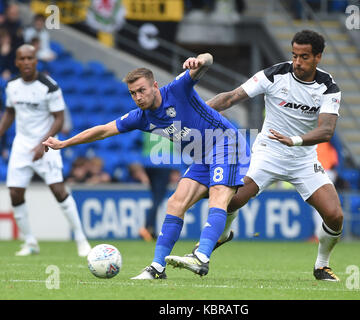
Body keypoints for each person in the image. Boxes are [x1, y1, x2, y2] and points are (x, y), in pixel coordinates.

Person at [43, 52, 250, 279]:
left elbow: (209, 60)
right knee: (175, 203)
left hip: (226, 142)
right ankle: (157, 268)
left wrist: (199, 61)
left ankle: (201, 257)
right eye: (133, 93)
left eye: (142, 90)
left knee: (217, 195)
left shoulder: (177, 89)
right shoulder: (140, 117)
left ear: (155, 86)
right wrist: (64, 143)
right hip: (202, 156)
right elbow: (103, 130)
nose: (138, 97)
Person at [185, 30, 344, 281]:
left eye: (304, 57)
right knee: (233, 199)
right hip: (268, 152)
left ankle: (321, 265)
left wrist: (295, 140)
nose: (297, 62)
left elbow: (326, 130)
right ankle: (224, 234)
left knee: (335, 216)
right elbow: (230, 97)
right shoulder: (274, 75)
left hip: (303, 159)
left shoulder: (328, 87)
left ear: (318, 57)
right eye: (294, 55)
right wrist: (194, 113)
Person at [0, 44, 91, 257]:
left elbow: (59, 119)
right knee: (14, 192)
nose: (26, 62)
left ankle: (81, 239)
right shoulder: (12, 85)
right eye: (21, 59)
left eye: (30, 58)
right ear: (16, 62)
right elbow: (10, 112)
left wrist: (44, 143)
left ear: (36, 61)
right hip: (21, 146)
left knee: (58, 190)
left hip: (47, 144)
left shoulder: (49, 86)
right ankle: (30, 242)